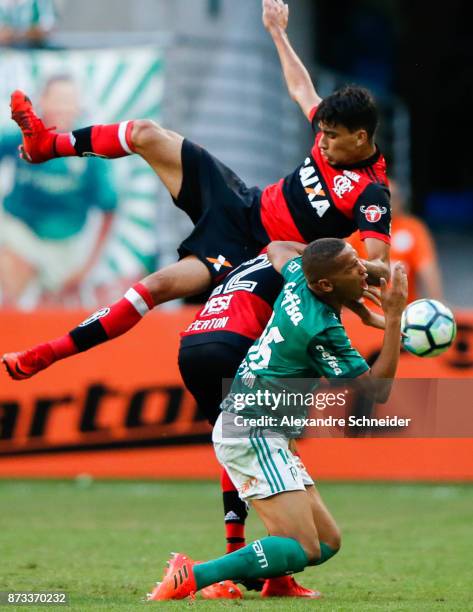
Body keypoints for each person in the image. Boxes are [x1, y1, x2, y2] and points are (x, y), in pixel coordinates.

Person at [2, 0, 391, 376]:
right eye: (320, 132)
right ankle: (47, 146)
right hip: (242, 205)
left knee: (151, 288)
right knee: (145, 133)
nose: (321, 143)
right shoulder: (333, 131)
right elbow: (301, 91)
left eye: (332, 137)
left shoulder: (371, 192)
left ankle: (45, 355)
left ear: (360, 138)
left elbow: (379, 263)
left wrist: (354, 271)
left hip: (255, 255)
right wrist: (276, 31)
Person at [148, 238, 408, 600]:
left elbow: (277, 247)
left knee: (327, 542)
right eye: (352, 267)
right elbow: (376, 391)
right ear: (326, 285)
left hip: (268, 430)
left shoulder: (300, 278)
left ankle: (277, 582)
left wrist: (364, 286)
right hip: (252, 430)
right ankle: (193, 574)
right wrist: (393, 317)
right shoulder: (320, 328)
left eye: (357, 261)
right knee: (305, 546)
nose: (362, 269)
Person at [0, 75, 117, 308]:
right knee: (14, 268)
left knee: (54, 311)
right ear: (42, 102)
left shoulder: (91, 153)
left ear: (77, 106)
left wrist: (86, 269)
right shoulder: (19, 137)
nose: (62, 107)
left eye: (68, 100)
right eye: (56, 99)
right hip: (19, 230)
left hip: (66, 243)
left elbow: (109, 209)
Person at [348, 178, 443, 303]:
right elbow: (343, 265)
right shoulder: (357, 229)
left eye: (389, 197)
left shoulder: (413, 228)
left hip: (402, 311)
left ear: (400, 201)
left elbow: (427, 268)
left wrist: (436, 302)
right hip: (364, 311)